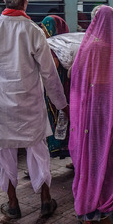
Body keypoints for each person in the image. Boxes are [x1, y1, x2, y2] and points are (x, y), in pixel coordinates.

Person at [0, 0, 67, 220]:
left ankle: (13, 204)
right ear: (25, 1)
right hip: (30, 106)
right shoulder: (34, 31)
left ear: (5, 0)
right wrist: (60, 104)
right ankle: (45, 200)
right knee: (37, 150)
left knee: (2, 152)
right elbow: (49, 73)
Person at [69, 6, 113, 224]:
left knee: (94, 156)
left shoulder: (90, 47)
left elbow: (77, 79)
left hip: (95, 113)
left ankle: (94, 213)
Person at [40, 15, 70, 158]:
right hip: (65, 89)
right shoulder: (66, 43)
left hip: (55, 92)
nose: (43, 31)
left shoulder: (52, 46)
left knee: (55, 123)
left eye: (46, 27)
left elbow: (52, 69)